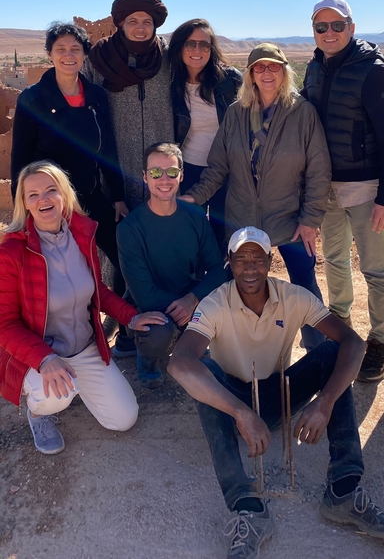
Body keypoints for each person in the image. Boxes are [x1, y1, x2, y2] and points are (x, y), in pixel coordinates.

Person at [168, 226, 384, 557]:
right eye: (241, 260)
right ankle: (249, 508)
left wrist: (324, 402)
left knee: (329, 354)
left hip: (280, 391)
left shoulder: (293, 297)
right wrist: (240, 412)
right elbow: (179, 362)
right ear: (230, 263)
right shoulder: (215, 303)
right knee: (204, 371)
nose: (250, 268)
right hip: (233, 399)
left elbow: (352, 342)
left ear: (270, 260)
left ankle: (343, 489)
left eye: (257, 259)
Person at [0, 161, 166, 455]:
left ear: (64, 195)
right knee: (56, 397)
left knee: (124, 419)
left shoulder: (80, 235)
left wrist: (132, 316)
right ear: (24, 203)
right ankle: (39, 412)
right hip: (41, 352)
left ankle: (74, 384)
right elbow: (5, 324)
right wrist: (45, 359)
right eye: (33, 194)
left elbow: (96, 292)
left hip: (85, 348)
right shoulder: (12, 252)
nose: (44, 200)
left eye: (51, 190)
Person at [181, 42, 331, 351]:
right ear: (250, 74)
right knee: (233, 283)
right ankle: (232, 346)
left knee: (304, 283)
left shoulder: (303, 113)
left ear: (284, 71)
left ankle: (321, 350)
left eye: (273, 66)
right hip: (241, 218)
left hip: (289, 218)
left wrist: (310, 220)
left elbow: (319, 171)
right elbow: (218, 167)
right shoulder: (236, 114)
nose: (266, 73)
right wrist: (195, 197)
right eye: (259, 67)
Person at [302, 0, 384, 382]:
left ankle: (380, 342)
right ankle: (342, 331)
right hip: (325, 187)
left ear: (352, 27)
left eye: (337, 26)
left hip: (366, 188)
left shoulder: (373, 71)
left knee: (376, 269)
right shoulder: (313, 68)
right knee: (335, 262)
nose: (329, 33)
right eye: (321, 27)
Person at [10, 22, 127, 304]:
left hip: (89, 194)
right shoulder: (33, 99)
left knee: (123, 256)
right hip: (52, 203)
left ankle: (123, 320)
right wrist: (23, 209)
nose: (68, 55)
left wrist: (119, 197)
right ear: (49, 54)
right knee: (65, 270)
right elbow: (20, 158)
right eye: (60, 49)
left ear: (85, 55)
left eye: (75, 49)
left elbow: (107, 148)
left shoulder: (96, 96)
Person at [116, 143, 227, 388]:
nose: (164, 179)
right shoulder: (129, 228)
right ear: (145, 177)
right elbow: (143, 293)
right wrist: (184, 310)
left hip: (188, 296)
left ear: (182, 175)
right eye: (156, 172)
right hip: (151, 305)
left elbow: (218, 268)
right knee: (160, 329)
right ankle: (148, 359)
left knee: (220, 306)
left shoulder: (195, 215)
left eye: (171, 172)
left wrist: (193, 299)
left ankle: (188, 341)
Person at [83, 0, 174, 211]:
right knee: (115, 231)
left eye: (147, 22)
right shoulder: (99, 58)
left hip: (162, 164)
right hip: (114, 161)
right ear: (121, 22)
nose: (140, 28)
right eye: (133, 21)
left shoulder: (168, 58)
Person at [169, 18, 242, 252]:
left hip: (226, 170)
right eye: (191, 44)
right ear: (180, 47)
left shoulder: (230, 80)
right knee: (192, 232)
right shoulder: (171, 83)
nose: (198, 50)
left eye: (204, 45)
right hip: (189, 168)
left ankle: (224, 285)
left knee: (224, 234)